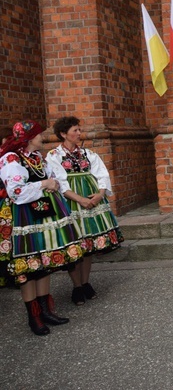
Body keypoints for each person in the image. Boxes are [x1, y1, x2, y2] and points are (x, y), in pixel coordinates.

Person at [0, 121, 85, 335]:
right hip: (24, 217)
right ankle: (34, 316)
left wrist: (52, 182)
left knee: (43, 262)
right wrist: (43, 185)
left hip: (43, 213)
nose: (43, 138)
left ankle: (46, 310)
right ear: (29, 138)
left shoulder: (37, 157)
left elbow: (50, 177)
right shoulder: (11, 159)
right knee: (28, 266)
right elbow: (16, 192)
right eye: (39, 135)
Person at [46, 116, 124, 306]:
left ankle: (86, 282)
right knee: (75, 245)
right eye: (75, 131)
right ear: (63, 134)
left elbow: (101, 173)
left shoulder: (88, 154)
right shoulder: (54, 156)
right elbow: (60, 182)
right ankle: (77, 286)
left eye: (79, 130)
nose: (79, 134)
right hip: (70, 203)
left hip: (92, 200)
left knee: (88, 245)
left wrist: (99, 194)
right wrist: (79, 199)